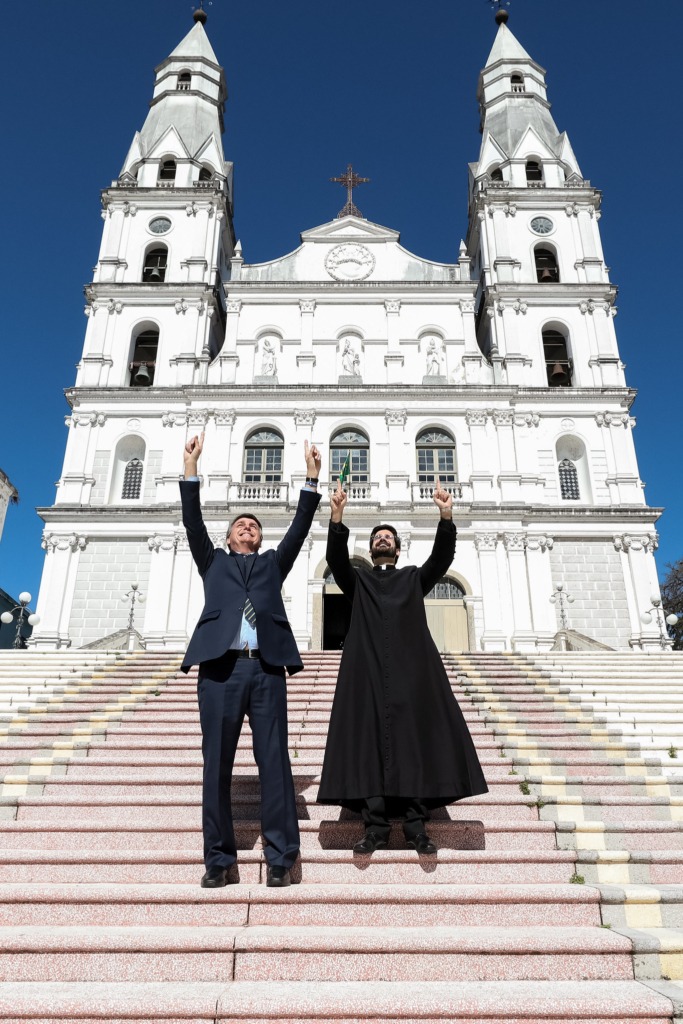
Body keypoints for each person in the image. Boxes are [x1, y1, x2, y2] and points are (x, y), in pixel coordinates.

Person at [180, 433, 322, 887]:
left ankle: (282, 858)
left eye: (254, 527)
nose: (248, 528)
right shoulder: (212, 562)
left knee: (274, 760)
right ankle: (218, 861)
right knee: (215, 763)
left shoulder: (271, 565)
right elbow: (192, 522)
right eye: (240, 525)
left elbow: (299, 530)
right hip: (219, 669)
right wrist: (190, 468)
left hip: (265, 668)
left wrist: (311, 480)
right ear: (227, 537)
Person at [317, 478, 488, 853]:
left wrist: (446, 517)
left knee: (412, 746)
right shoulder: (357, 581)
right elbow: (335, 560)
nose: (382, 539)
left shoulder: (414, 578)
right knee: (368, 747)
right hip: (366, 674)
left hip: (411, 675)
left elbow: (441, 560)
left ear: (397, 548)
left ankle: (416, 827)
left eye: (388, 537)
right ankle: (374, 828)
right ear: (372, 546)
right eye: (377, 536)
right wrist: (337, 516)